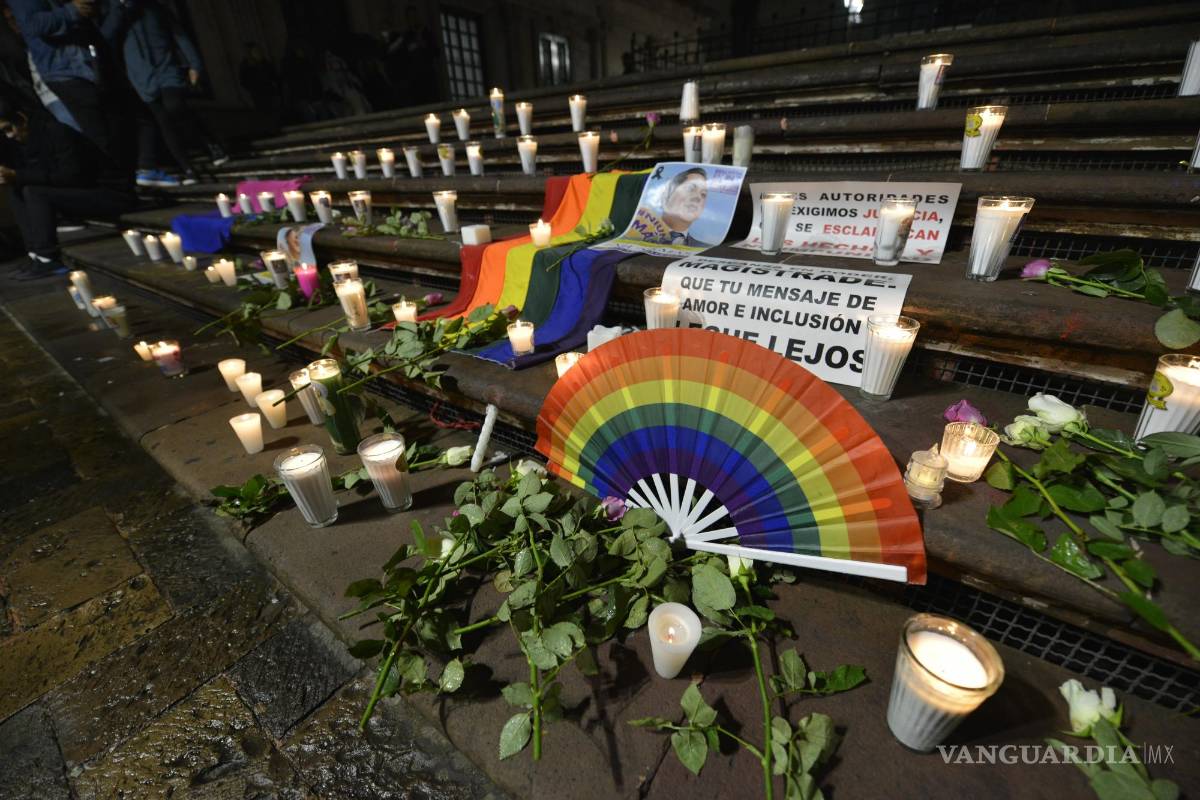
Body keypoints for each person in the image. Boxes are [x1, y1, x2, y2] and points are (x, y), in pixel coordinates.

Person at [0, 94, 136, 277]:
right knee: (16, 189)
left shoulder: (55, 132)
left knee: (34, 191)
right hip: (81, 194)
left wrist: (18, 175)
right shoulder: (23, 142)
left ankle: (47, 257)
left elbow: (71, 177)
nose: (9, 136)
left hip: (111, 194)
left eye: (9, 129)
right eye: (3, 132)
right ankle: (35, 254)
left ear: (21, 119)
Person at [111, 0, 226, 187]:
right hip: (142, 77)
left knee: (175, 107)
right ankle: (188, 168)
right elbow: (107, 36)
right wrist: (119, 10)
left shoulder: (156, 8)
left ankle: (209, 142)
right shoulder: (114, 11)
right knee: (164, 122)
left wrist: (194, 64)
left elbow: (179, 35)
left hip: (167, 69)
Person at [6, 0, 131, 160]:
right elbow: (34, 25)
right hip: (65, 72)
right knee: (101, 137)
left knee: (116, 128)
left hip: (86, 64)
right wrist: (72, 10)